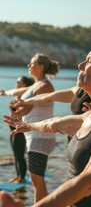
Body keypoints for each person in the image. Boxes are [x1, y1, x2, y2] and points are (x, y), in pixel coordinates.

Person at [2, 30, 91, 207]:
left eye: (90, 61)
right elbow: (53, 124)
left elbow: (90, 180)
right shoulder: (89, 117)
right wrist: (28, 125)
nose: (80, 65)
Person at [1, 53, 59, 205]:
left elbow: (30, 106)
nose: (29, 66)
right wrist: (16, 113)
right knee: (35, 179)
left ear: (40, 67)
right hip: (35, 137)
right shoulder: (36, 85)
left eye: (32, 63)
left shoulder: (45, 85)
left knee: (36, 179)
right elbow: (28, 107)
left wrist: (20, 110)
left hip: (41, 137)